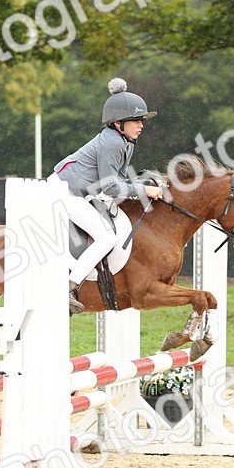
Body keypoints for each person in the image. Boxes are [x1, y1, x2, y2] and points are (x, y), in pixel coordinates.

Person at [49, 78, 164, 315]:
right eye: (136, 121)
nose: (141, 125)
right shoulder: (112, 143)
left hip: (80, 192)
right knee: (105, 238)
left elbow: (118, 181)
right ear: (119, 123)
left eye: (141, 120)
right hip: (63, 193)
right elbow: (112, 188)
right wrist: (145, 190)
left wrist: (143, 183)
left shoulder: (126, 141)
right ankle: (68, 287)